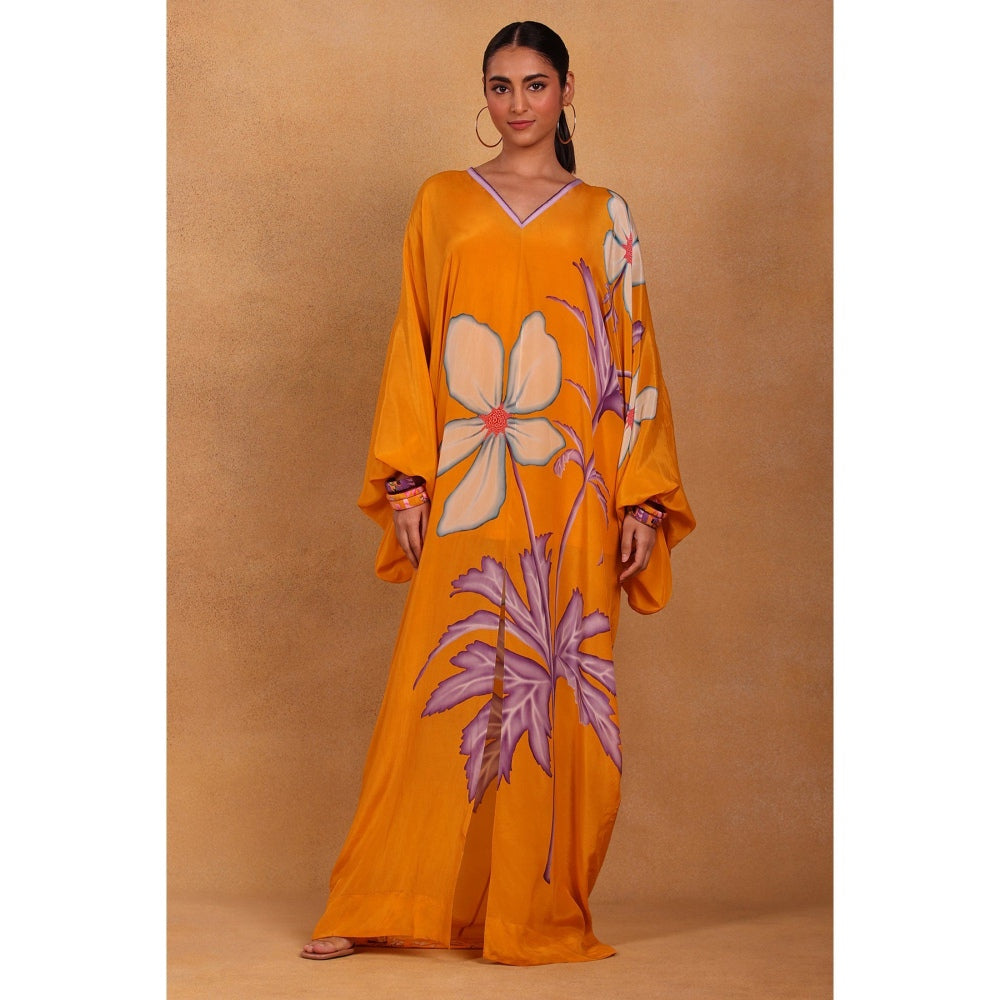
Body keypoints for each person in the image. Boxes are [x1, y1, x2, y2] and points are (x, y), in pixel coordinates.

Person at [301, 20, 695, 966]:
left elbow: (634, 357)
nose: (518, 103)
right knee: (438, 681)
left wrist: (641, 500)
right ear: (485, 96)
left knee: (555, 697)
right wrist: (407, 480)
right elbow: (415, 338)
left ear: (567, 91)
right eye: (500, 85)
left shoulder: (606, 215)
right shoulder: (442, 200)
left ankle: (529, 909)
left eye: (535, 84)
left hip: (572, 491)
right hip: (469, 479)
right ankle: (378, 897)